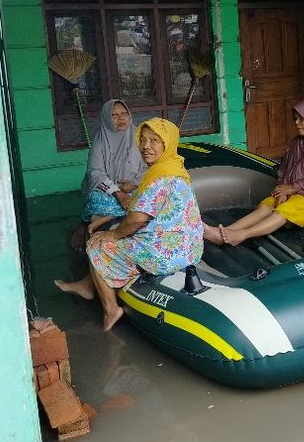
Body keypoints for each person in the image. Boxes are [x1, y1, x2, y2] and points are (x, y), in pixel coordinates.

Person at [57, 118, 204, 331]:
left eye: (155, 140)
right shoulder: (175, 169)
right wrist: (110, 221)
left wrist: (112, 236)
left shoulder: (158, 178)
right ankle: (88, 286)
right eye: (143, 140)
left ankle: (110, 309)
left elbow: (138, 218)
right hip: (191, 247)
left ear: (167, 143)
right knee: (116, 229)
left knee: (97, 243)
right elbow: (141, 205)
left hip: (165, 255)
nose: (146, 146)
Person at [203, 99, 304, 246]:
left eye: (302, 119)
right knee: (268, 204)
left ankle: (241, 235)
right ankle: (223, 233)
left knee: (284, 210)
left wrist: (290, 188)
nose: (296, 123)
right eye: (295, 119)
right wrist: (283, 190)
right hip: (297, 189)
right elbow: (285, 168)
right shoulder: (298, 142)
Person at [70, 99, 146, 249]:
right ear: (106, 118)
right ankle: (85, 223)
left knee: (146, 198)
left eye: (124, 113)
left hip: (134, 188)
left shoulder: (140, 137)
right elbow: (95, 173)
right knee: (93, 199)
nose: (121, 118)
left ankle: (107, 217)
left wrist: (134, 183)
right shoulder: (100, 141)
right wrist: (117, 192)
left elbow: (149, 166)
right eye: (115, 115)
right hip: (109, 192)